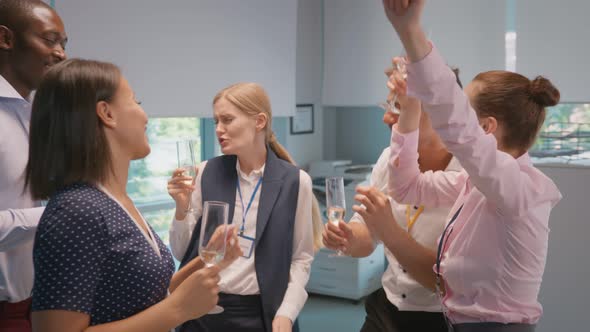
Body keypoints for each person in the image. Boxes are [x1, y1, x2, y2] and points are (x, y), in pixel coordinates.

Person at [354, 1, 562, 331]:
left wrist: (410, 32)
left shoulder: (517, 188)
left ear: (486, 128)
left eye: (465, 112)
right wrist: (409, 108)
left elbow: (456, 126)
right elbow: (406, 185)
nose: (447, 120)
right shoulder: (473, 184)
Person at [25, 58, 240, 331]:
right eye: (136, 102)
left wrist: (209, 258)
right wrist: (178, 309)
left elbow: (145, 295)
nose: (145, 115)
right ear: (107, 113)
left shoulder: (115, 201)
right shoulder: (76, 211)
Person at [168, 82, 323, 332]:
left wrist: (287, 313)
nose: (219, 129)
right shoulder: (206, 172)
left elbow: (301, 258)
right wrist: (181, 209)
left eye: (227, 120)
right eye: (217, 121)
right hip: (201, 312)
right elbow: (180, 252)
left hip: (261, 315)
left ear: (259, 121)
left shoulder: (296, 182)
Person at [323, 65, 463, 332]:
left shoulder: (471, 177)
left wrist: (389, 230)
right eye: (390, 105)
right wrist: (347, 237)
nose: (387, 117)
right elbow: (366, 239)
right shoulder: (389, 159)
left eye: (400, 108)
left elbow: (447, 282)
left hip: (445, 319)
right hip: (386, 309)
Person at [0, 1, 67, 330]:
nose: (61, 54)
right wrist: (59, 212)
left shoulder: (36, 112)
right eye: (51, 40)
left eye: (63, 44)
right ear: (5, 39)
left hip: (38, 301)